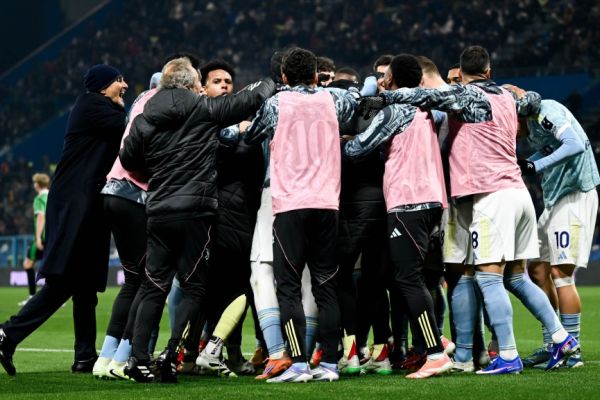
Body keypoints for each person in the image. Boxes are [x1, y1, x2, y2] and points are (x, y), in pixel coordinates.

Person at [378, 46, 577, 374]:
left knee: (486, 277)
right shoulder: (506, 96)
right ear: (488, 71)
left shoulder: (461, 96)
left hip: (487, 195)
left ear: (461, 74)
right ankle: (560, 337)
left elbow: (419, 97)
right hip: (516, 193)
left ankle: (507, 355)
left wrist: (378, 95)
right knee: (515, 277)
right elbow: (531, 101)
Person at [119, 57, 275, 383]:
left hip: (159, 209)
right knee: (194, 287)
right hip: (195, 211)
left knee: (153, 286)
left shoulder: (146, 116)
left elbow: (128, 158)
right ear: (193, 84)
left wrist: (160, 170)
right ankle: (172, 355)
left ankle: (138, 360)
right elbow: (251, 98)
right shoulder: (204, 109)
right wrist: (273, 79)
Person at [0, 64, 128, 376]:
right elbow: (127, 127)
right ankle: (7, 334)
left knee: (84, 285)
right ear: (102, 86)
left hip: (87, 203)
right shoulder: (91, 104)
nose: (124, 85)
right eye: (118, 80)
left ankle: (84, 356)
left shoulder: (99, 107)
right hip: (76, 203)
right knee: (67, 282)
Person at [242, 47, 359, 383]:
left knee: (289, 286)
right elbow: (356, 106)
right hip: (327, 204)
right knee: (325, 285)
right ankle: (331, 364)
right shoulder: (334, 99)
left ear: (283, 76)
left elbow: (251, 137)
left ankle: (297, 364)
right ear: (315, 75)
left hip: (291, 204)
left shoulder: (277, 103)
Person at [344, 54, 452, 379]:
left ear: (390, 79)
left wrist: (342, 141)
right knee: (409, 276)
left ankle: (435, 351)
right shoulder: (423, 108)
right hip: (431, 198)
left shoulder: (395, 111)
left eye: (385, 76)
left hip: (408, 201)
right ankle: (435, 342)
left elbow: (358, 149)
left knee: (408, 278)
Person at [514, 93, 599, 369]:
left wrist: (535, 165)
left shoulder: (545, 112)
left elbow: (573, 144)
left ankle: (572, 351)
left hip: (574, 196)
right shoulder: (533, 125)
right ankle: (553, 343)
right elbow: (551, 148)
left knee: (561, 274)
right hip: (555, 199)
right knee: (538, 269)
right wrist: (526, 162)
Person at [19, 173, 50, 307]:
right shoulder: (51, 196)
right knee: (50, 265)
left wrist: (37, 238)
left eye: (34, 182)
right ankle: (55, 297)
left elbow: (41, 217)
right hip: (53, 236)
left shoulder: (39, 198)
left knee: (27, 264)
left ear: (37, 184)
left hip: (42, 237)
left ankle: (32, 296)